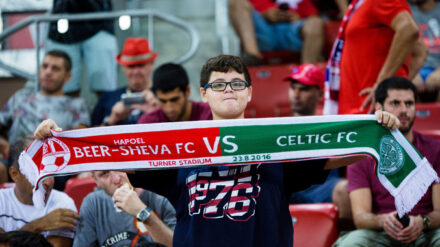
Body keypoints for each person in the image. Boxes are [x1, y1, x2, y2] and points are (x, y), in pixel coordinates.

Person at [34, 55, 400, 247]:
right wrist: (58, 139)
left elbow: (338, 152)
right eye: (219, 84)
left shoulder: (279, 141)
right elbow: (110, 153)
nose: (229, 89)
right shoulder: (173, 148)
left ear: (250, 93)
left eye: (237, 83)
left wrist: (375, 132)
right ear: (204, 94)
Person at [333, 77, 440, 246]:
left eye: (409, 103)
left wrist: (422, 221)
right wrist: (384, 221)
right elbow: (361, 218)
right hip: (381, 233)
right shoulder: (363, 155)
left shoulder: (436, 149)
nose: (404, 110)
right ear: (379, 108)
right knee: (350, 243)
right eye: (395, 103)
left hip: (427, 231)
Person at [0, 50, 90, 189]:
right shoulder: (20, 98)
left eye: (55, 68)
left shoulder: (76, 105)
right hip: (14, 158)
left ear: (68, 76)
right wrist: (4, 145)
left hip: (54, 164)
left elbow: (78, 140)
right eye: (45, 66)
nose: (48, 72)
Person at [336, 0, 427, 114]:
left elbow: (408, 29)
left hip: (372, 112)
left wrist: (383, 86)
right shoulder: (361, 4)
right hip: (363, 109)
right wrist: (395, 86)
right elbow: (421, 51)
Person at [285, 64, 350, 219]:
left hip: (324, 186)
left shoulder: (331, 126)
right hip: (288, 187)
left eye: (304, 89)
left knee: (346, 189)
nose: (296, 94)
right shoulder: (278, 127)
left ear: (320, 94)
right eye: (293, 88)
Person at [0, 137, 79, 247]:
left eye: (51, 171)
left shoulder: (63, 204)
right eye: (37, 173)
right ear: (14, 174)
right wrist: (37, 225)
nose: (49, 181)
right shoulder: (1, 201)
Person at [73, 170, 176, 247]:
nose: (116, 179)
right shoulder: (93, 203)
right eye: (104, 173)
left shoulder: (160, 196)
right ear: (96, 180)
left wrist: (143, 213)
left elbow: (177, 244)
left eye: (120, 168)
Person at [46, 0, 117, 97]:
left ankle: (106, 111)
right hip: (62, 25)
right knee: (66, 86)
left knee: (103, 85)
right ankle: (69, 111)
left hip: (100, 20)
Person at [229, 0, 324, 64]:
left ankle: (306, 72)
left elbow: (314, 18)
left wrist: (297, 18)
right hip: (262, 34)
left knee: (316, 23)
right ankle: (253, 56)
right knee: (236, 2)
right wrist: (265, 15)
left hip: (291, 33)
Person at [92, 38, 159, 126]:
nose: (135, 71)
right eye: (131, 66)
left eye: (140, 65)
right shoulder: (107, 98)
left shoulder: (165, 97)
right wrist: (112, 120)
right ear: (123, 67)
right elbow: (91, 135)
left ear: (152, 64)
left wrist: (159, 111)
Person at [138, 63, 212, 124]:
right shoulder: (148, 124)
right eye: (163, 101)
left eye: (174, 100)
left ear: (187, 91)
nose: (169, 108)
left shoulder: (210, 115)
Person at [409, 0, 440, 100]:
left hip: (437, 68)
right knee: (406, 88)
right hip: (414, 67)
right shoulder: (406, 12)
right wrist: (412, 73)